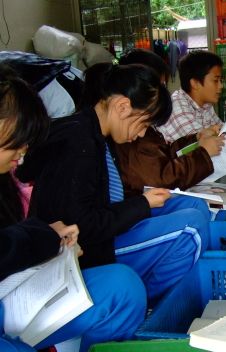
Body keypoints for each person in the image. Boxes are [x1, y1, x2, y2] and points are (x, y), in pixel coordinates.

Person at [16, 63, 210, 307]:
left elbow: (104, 200)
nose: (141, 134)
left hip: (106, 229)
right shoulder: (79, 146)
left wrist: (143, 202)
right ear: (122, 106)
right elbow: (81, 226)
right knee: (190, 229)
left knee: (194, 205)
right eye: (143, 124)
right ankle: (150, 305)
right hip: (87, 249)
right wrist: (142, 204)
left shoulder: (98, 135)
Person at [0, 65, 146, 352]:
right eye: (15, 143)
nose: (22, 153)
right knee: (189, 227)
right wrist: (143, 204)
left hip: (17, 292)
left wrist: (51, 242)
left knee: (123, 286)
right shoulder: (80, 141)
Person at [115, 48, 225, 197]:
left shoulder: (140, 126)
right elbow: (165, 179)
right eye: (158, 87)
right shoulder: (133, 133)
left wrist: (196, 137)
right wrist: (203, 153)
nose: (163, 94)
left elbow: (165, 153)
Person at [156, 49, 226, 189]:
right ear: (195, 83)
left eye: (221, 80)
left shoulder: (205, 105)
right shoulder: (176, 106)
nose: (221, 86)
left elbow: (225, 135)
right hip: (185, 177)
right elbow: (206, 146)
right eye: (216, 80)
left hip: (200, 167)